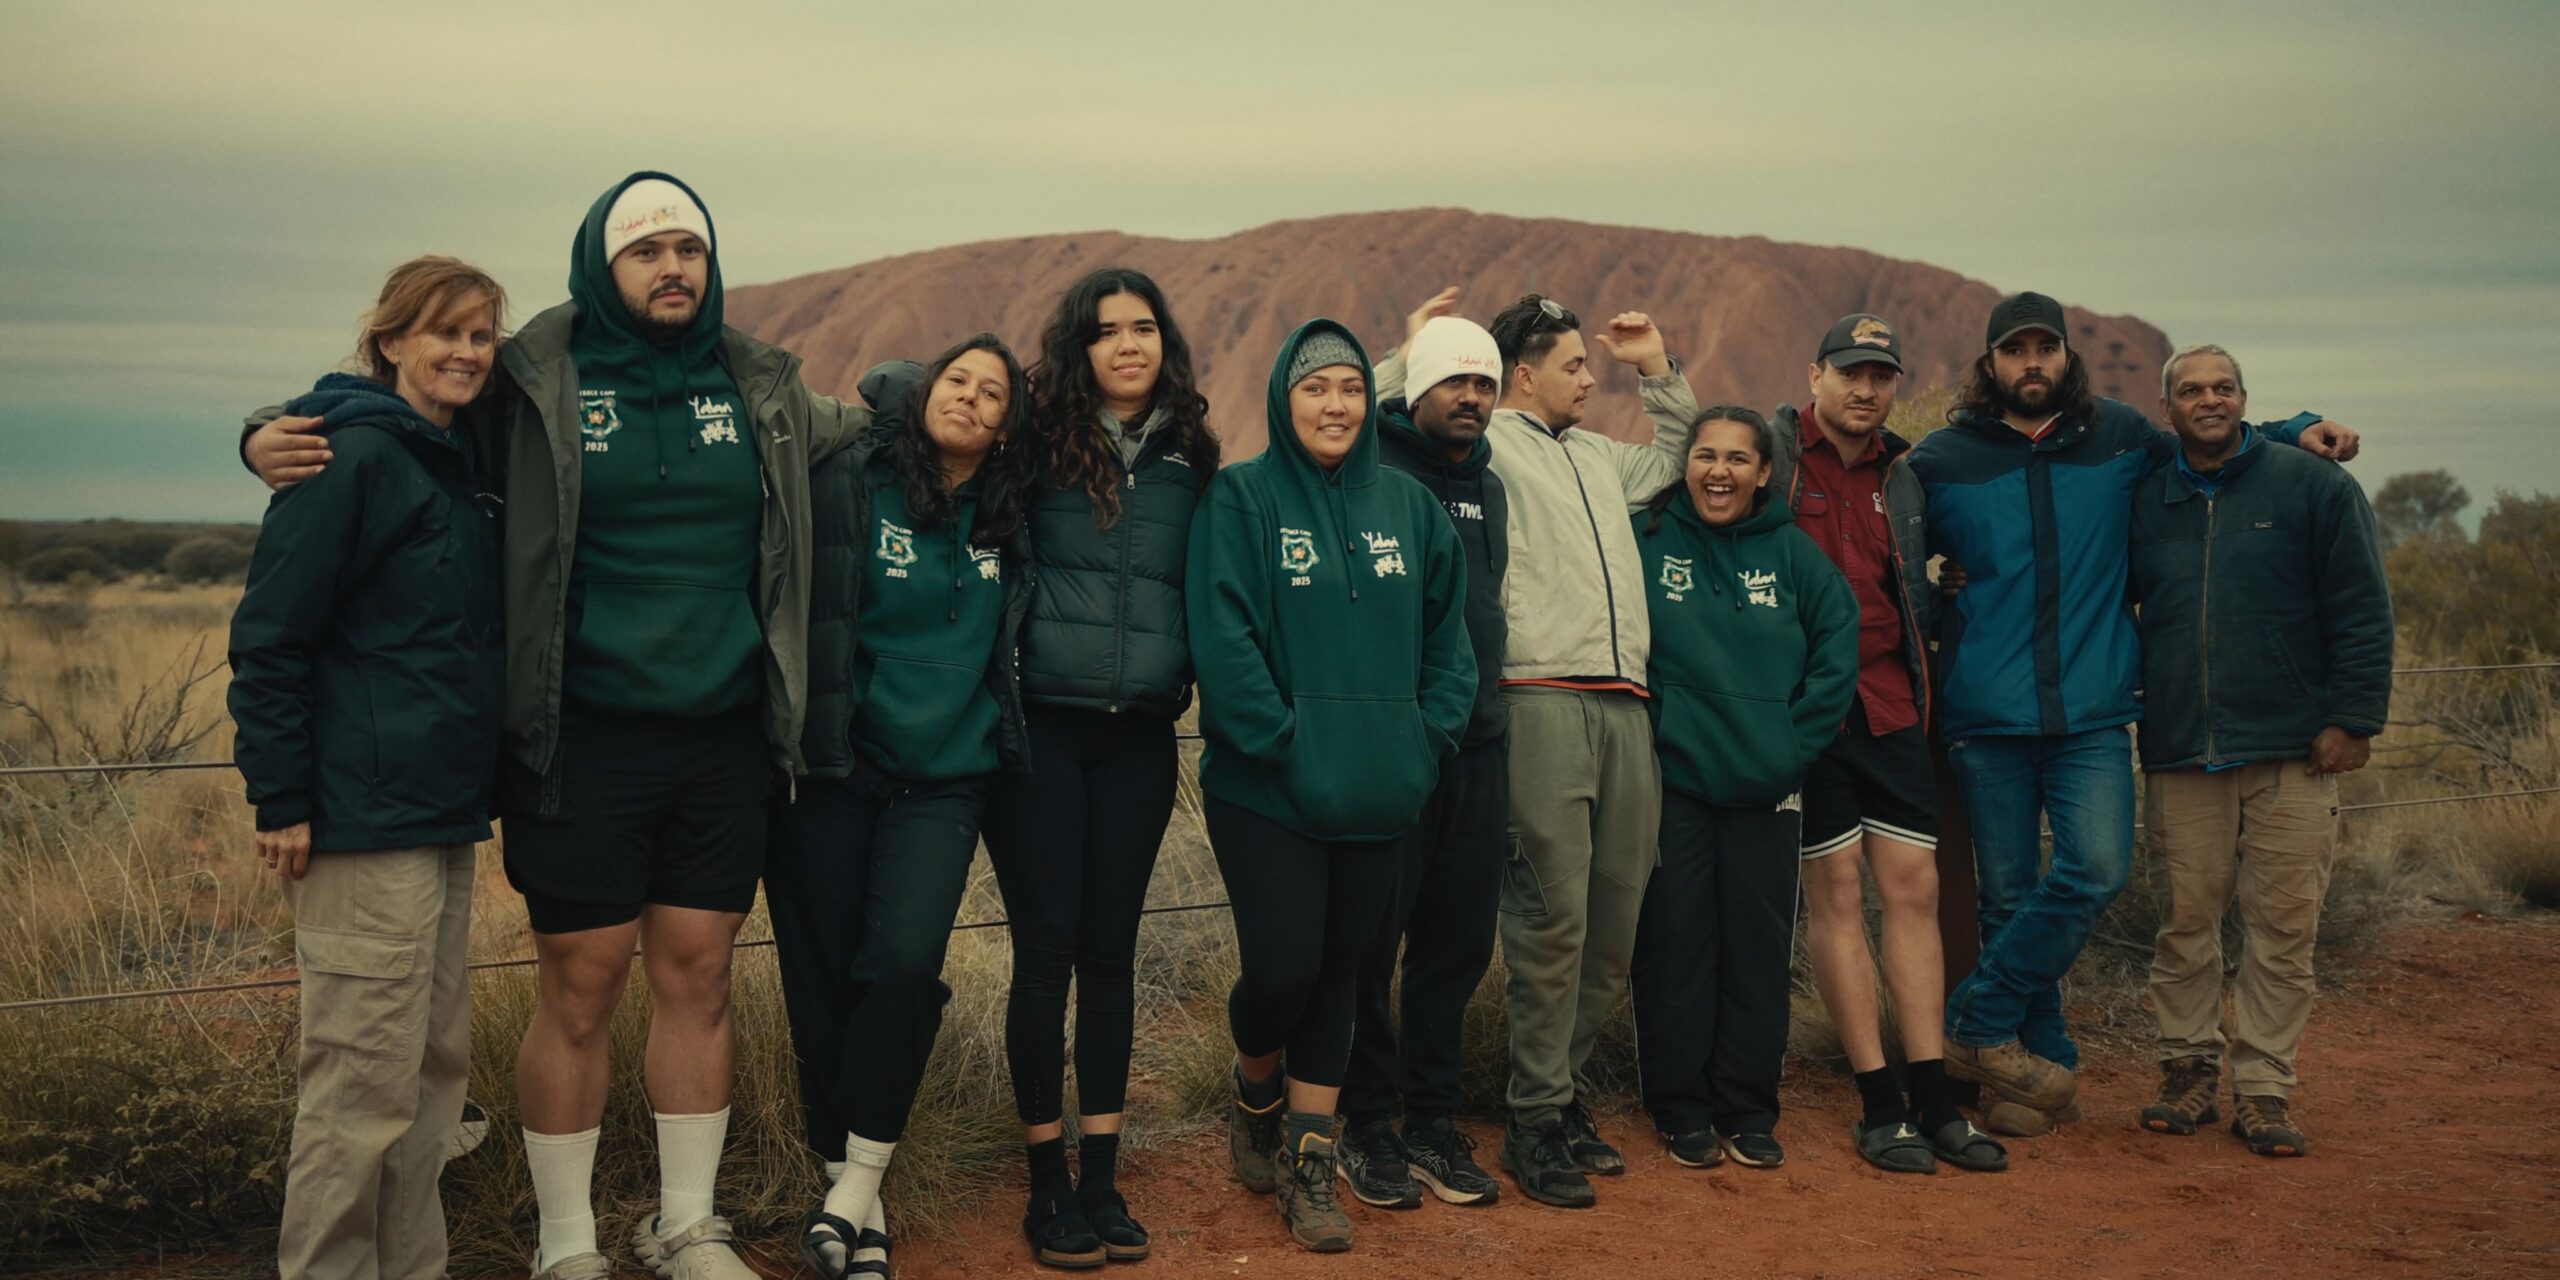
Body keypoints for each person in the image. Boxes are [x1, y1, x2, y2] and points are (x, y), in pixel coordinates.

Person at [241, 172, 875, 1280]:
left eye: (689, 247)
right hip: (580, 733)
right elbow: (389, 410)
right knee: (578, 982)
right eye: (646, 250)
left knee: (701, 974)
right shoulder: (531, 378)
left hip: (723, 733)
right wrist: (263, 432)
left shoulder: (760, 382)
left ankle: (685, 1224)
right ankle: (567, 1241)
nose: (672, 266)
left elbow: (890, 418)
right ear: (602, 264)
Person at [1908, 292, 2358, 1137]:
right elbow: (1887, 547)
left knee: (2095, 871)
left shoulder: (2119, 438)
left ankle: (1973, 1021)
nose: (2032, 364)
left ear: (2067, 360)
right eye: (2016, 351)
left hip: (2092, 713)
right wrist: (1938, 590)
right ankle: (2036, 1073)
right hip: (1987, 716)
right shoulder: (1942, 457)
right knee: (2007, 902)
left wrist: (2298, 423)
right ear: (1992, 363)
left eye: (2047, 349)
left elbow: (2213, 440)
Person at [1377, 292, 1695, 1209]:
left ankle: (1558, 1096)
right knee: (1550, 920)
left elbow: (1680, 459)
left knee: (1614, 921)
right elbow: (1389, 421)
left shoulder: (1600, 456)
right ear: (1524, 375)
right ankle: (1534, 1120)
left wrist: (1657, 369)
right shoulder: (1490, 448)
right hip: (1539, 697)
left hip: (1627, 705)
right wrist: (1415, 349)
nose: (1591, 380)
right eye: (1575, 366)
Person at [227, 256, 507, 1279]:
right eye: (446, 333)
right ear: (391, 340)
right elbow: (270, 636)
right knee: (358, 1089)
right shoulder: (345, 457)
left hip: (439, 812)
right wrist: (282, 793)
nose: (467, 353)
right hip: (356, 816)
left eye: (482, 336)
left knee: (431, 1075)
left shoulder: (456, 457)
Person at [1188, 319, 1474, 1252]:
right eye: (1315, 388)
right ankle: (1254, 1086)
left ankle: (1311, 1164)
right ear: (1285, 398)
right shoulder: (1241, 499)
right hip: (1267, 789)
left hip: (1381, 789)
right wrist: (1280, 738)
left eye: (1350, 388)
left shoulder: (1411, 508)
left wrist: (1420, 741)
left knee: (1343, 982)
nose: (1336, 404)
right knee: (1283, 970)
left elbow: (1450, 643)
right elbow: (1223, 635)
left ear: (1370, 400)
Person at [770, 335, 1041, 1275]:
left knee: (903, 962)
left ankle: (850, 1185)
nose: (970, 398)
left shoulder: (1017, 512)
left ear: (1010, 424)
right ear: (927, 391)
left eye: (993, 393)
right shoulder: (854, 473)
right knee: (825, 977)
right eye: (957, 380)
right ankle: (863, 1201)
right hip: (839, 766)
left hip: (947, 776)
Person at [978, 267, 1219, 1266]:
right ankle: (1046, 1187)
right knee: (1044, 953)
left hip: (1138, 739)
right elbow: (913, 390)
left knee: (1110, 953)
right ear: (1075, 347)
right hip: (1038, 733)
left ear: (1165, 342)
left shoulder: (1189, 459)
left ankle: (1104, 1180)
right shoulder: (1030, 442)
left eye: (1144, 327)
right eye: (1105, 330)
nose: (1128, 344)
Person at [2128, 344, 2392, 1158]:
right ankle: (2187, 1070)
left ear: (2245, 398)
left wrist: (2354, 720)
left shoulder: (2311, 486)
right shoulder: (2146, 497)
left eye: (2223, 388)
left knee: (2282, 927)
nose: (2209, 401)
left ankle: (2266, 1088)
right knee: (2186, 923)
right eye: (2190, 391)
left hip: (2294, 749)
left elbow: (2360, 603)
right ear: (2167, 409)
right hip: (2182, 746)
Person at [1754, 315, 2004, 1174]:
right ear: (1815, 374)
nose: (1866, 390)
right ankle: (1879, 1103)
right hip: (1810, 713)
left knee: (1912, 894)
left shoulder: (1908, 472)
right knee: (1833, 898)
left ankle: (1934, 1097)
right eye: (1852, 372)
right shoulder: (1777, 455)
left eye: (1882, 376)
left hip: (1894, 705)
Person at [1626, 406, 1859, 1172]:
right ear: (1685, 464)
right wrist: (1655, 729)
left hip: (1768, 787)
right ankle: (1681, 1107)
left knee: (1756, 954)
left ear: (1765, 473)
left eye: (1736, 459)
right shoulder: (1648, 541)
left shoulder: (1794, 557)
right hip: (1676, 783)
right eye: (1704, 456)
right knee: (1675, 946)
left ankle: (1749, 1107)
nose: (1717, 472)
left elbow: (1836, 650)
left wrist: (1789, 747)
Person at [1336, 309, 1510, 1211]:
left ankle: (1432, 1119)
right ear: (1416, 386)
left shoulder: (1492, 484)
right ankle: (1363, 1123)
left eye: (1485, 383)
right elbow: (1331, 411)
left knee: (1457, 943)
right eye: (1456, 381)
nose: (1472, 398)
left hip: (1479, 743)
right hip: (1394, 747)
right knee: (1371, 945)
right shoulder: (1376, 468)